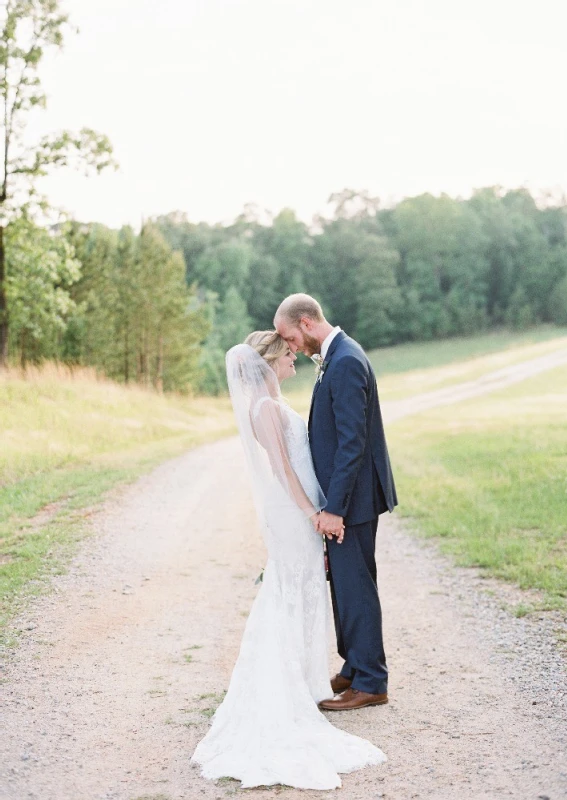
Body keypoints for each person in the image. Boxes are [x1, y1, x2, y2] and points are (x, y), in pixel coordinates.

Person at [191, 330, 386, 790]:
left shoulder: (271, 403)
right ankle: (290, 685)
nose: (294, 361)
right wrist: (313, 513)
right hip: (296, 513)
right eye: (289, 356)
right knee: (291, 591)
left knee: (302, 591)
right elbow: (281, 470)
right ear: (270, 361)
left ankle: (307, 677)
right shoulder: (263, 410)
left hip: (304, 513)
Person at [274, 294, 397, 712]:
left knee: (356, 588)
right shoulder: (336, 356)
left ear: (306, 323)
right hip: (348, 498)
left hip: (354, 500)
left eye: (290, 337)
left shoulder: (344, 361)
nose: (290, 346)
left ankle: (371, 681)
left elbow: (352, 444)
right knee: (345, 588)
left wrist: (335, 509)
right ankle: (354, 667)